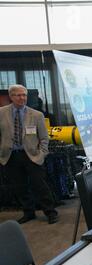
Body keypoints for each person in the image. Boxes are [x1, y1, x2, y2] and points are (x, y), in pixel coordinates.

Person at [0, 84, 58, 224]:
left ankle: (50, 212)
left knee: (40, 185)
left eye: (24, 95)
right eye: (18, 95)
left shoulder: (36, 115)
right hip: (11, 156)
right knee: (19, 186)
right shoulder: (1, 113)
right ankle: (28, 212)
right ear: (11, 97)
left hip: (32, 155)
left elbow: (44, 138)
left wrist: (42, 154)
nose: (22, 98)